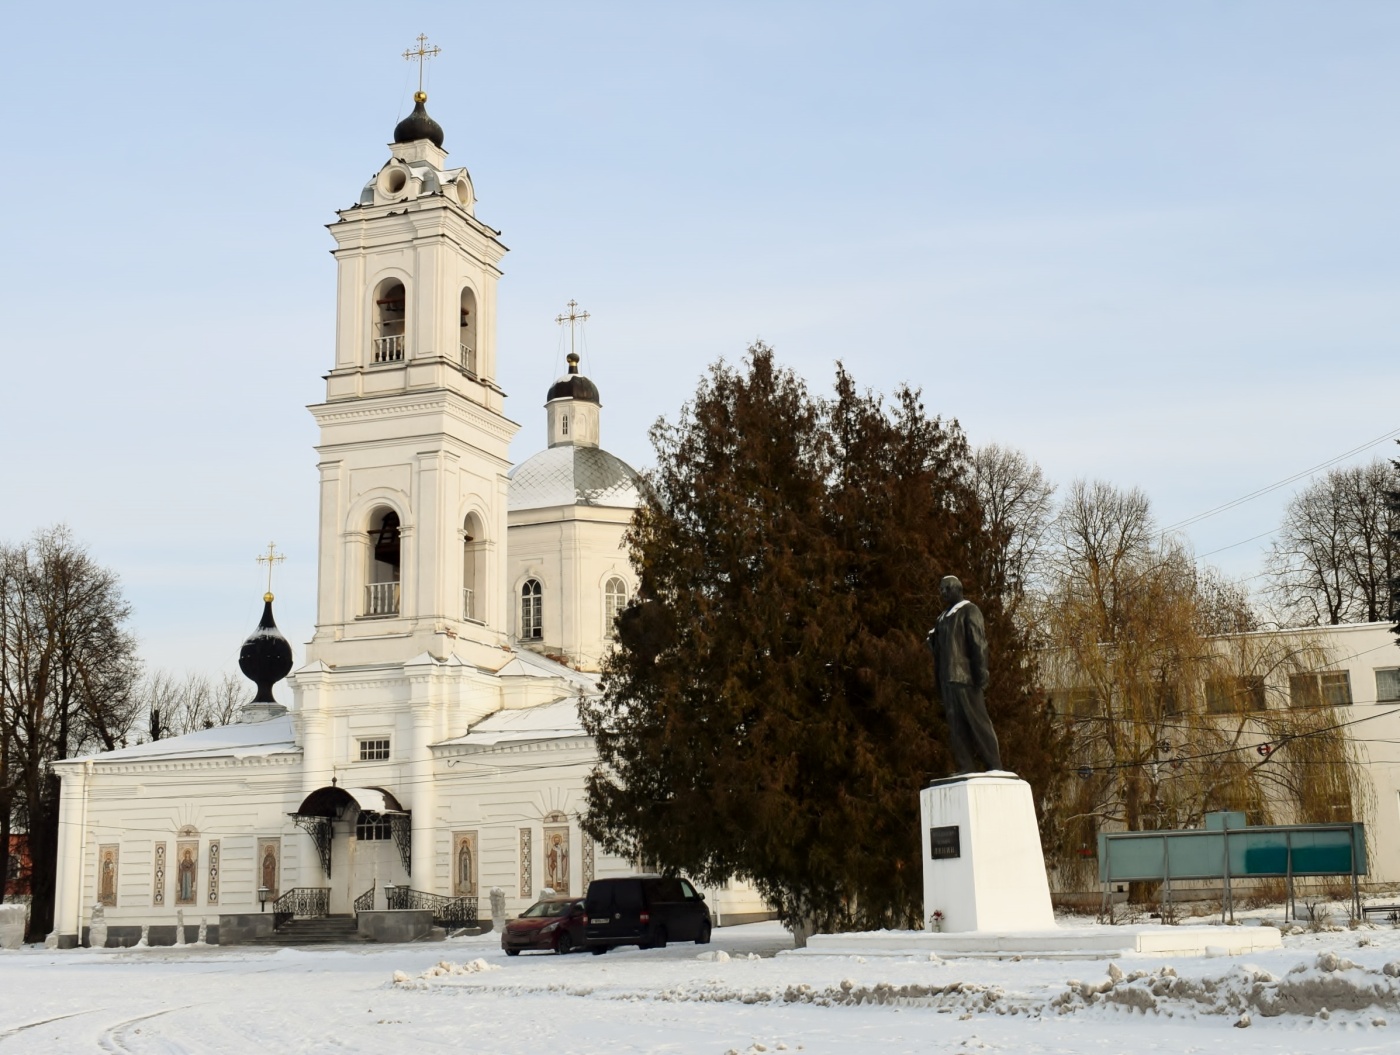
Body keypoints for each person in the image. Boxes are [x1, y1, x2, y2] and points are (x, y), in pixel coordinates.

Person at [926, 575, 1003, 775]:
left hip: (966, 678)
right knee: (956, 726)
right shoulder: (942, 618)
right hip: (947, 678)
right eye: (941, 589)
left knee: (978, 721)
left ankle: (994, 765)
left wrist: (981, 672)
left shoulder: (969, 610)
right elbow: (942, 650)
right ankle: (965, 766)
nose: (943, 593)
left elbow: (978, 643)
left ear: (958, 589)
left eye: (947, 588)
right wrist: (932, 642)